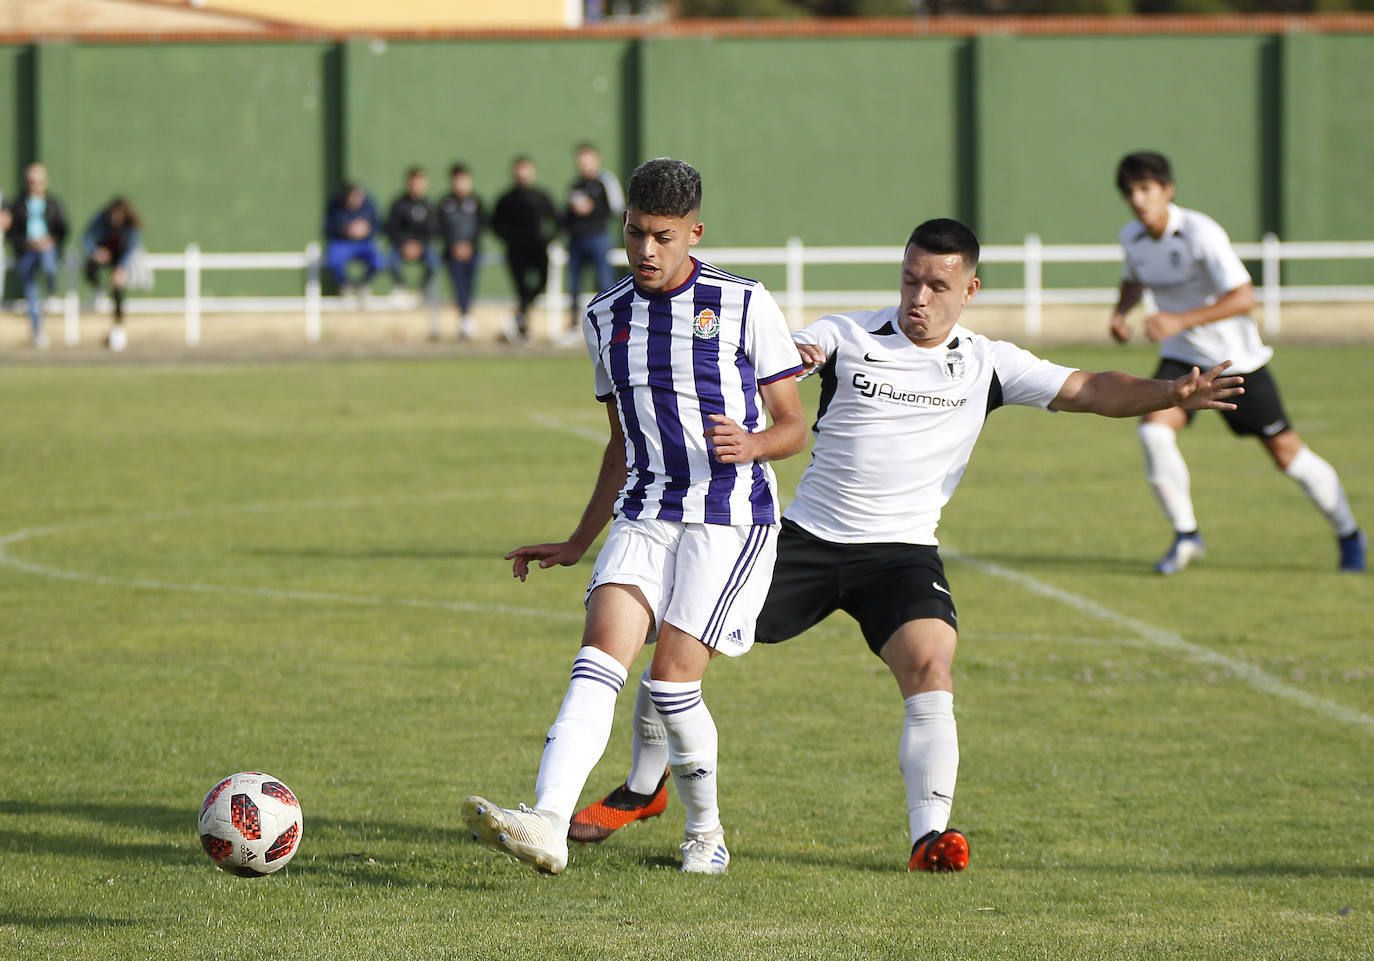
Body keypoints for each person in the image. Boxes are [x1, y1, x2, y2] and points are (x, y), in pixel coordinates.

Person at [565, 218, 1244, 873]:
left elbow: (1092, 388)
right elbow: (781, 365)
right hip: (807, 538)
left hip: (902, 553)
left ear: (969, 290)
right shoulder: (847, 334)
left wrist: (1171, 390)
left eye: (937, 286)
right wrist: (795, 359)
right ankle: (644, 786)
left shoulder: (989, 364)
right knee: (681, 634)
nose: (919, 297)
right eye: (910, 280)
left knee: (930, 663)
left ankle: (931, 835)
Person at [461, 158, 808, 876]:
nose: (645, 251)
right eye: (634, 234)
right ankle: (549, 821)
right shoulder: (605, 316)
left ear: (693, 233)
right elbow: (620, 443)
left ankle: (706, 832)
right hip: (646, 510)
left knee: (672, 683)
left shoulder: (743, 303)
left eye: (662, 236)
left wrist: (752, 443)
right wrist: (578, 539)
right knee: (596, 660)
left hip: (729, 516)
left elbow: (793, 425)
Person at [1108, 151, 1365, 574]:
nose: (1138, 199)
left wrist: (1179, 319)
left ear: (1167, 190)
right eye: (1130, 192)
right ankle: (1187, 534)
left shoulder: (1200, 232)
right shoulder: (1132, 237)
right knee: (1154, 433)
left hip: (1237, 364)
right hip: (1182, 361)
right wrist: (1121, 314)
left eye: (1146, 189)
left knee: (1288, 456)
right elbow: (1134, 277)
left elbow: (1246, 297)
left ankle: (1349, 533)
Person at [561, 143, 625, 344]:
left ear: (596, 159)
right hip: (576, 241)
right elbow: (566, 214)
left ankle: (609, 327)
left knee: (604, 283)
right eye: (580, 160)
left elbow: (616, 208)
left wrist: (592, 208)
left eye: (587, 159)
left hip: (598, 238)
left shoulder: (605, 181)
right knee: (574, 286)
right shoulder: (575, 185)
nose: (584, 164)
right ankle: (573, 327)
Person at [490, 156, 558, 343]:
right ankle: (522, 325)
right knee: (521, 288)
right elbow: (495, 224)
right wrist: (509, 238)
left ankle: (521, 315)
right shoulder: (506, 199)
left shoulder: (541, 197)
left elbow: (556, 221)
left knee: (541, 282)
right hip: (515, 251)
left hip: (537, 249)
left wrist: (547, 239)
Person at [5, 163, 69, 349]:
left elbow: (63, 230)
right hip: (26, 253)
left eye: (38, 182)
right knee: (31, 292)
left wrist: (50, 241)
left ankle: (51, 292)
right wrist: (28, 244)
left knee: (49, 259)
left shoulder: (53, 204)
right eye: (31, 182)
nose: (35, 186)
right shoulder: (18, 205)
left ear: (45, 182)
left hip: (47, 250)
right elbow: (12, 234)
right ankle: (37, 331)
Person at [81, 197, 143, 352]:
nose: (116, 218)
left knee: (118, 289)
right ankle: (98, 289)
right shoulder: (101, 219)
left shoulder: (131, 228)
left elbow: (131, 249)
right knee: (90, 268)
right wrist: (95, 251)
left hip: (120, 257)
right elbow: (86, 237)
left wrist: (122, 268)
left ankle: (118, 326)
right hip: (103, 253)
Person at [436, 164, 486, 340]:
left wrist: (469, 245)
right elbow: (441, 227)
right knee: (458, 285)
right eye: (457, 180)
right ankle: (464, 318)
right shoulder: (445, 203)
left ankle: (466, 317)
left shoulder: (476, 202)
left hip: (472, 252)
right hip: (452, 253)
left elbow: (481, 226)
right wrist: (454, 246)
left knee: (470, 285)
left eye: (464, 179)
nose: (461, 184)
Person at [385, 166, 439, 319]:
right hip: (401, 246)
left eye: (420, 182)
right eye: (414, 182)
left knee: (434, 261)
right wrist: (405, 244)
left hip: (422, 247)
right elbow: (392, 228)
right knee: (390, 260)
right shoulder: (398, 204)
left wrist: (419, 245)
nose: (417, 186)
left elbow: (432, 231)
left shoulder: (429, 206)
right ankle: (400, 285)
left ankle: (423, 289)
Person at [323, 182, 385, 301]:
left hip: (364, 243)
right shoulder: (334, 205)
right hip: (342, 243)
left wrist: (366, 230)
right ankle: (346, 285)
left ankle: (363, 284)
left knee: (379, 261)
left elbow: (378, 225)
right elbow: (327, 227)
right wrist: (346, 230)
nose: (356, 200)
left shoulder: (369, 204)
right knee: (333, 259)